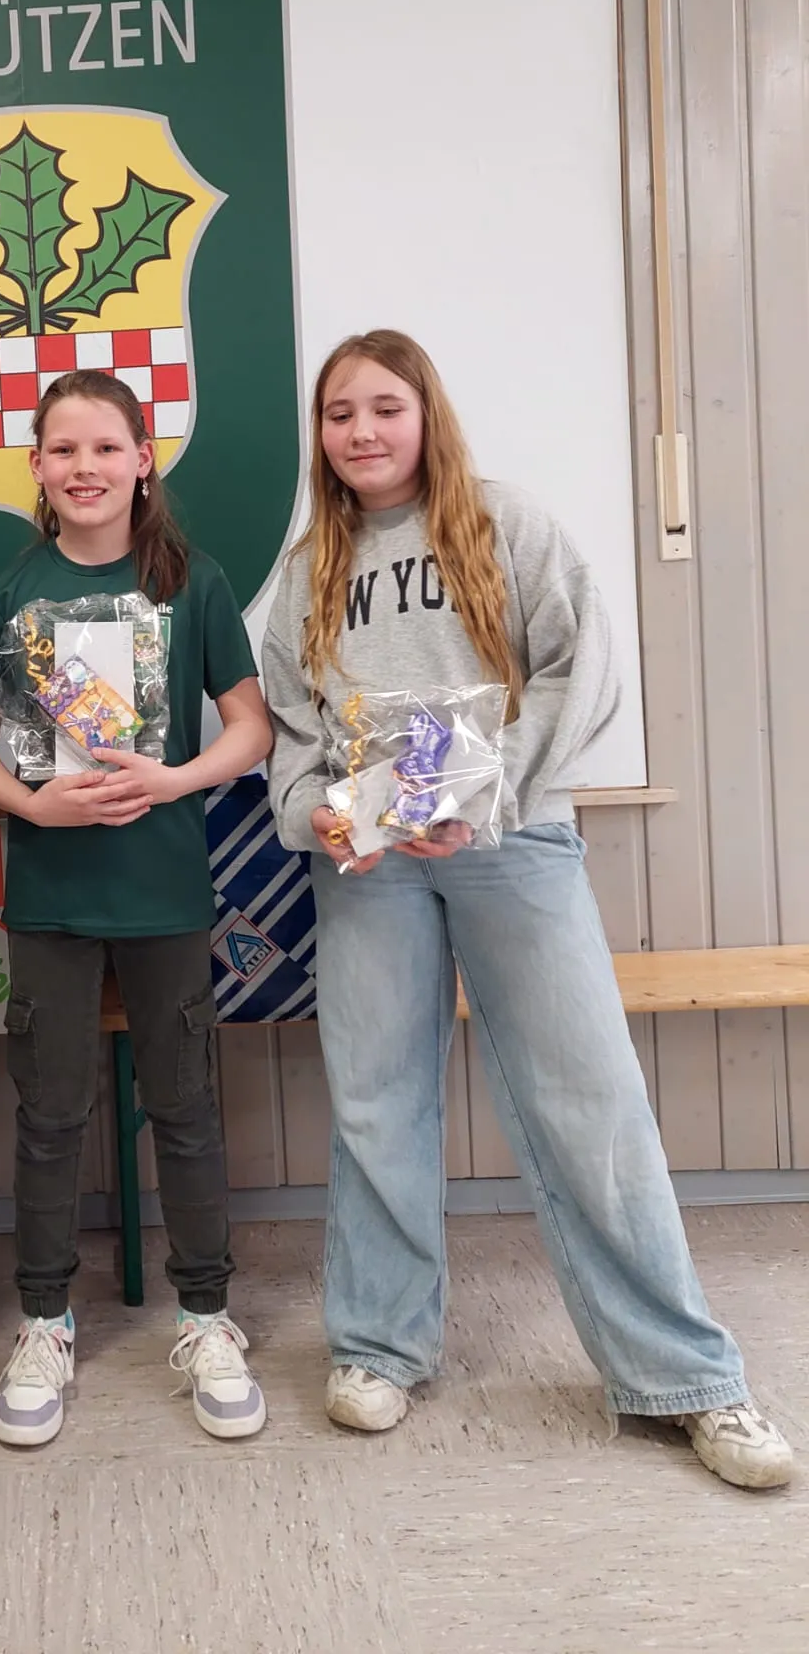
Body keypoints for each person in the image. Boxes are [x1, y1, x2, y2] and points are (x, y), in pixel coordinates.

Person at [262, 327, 792, 1490]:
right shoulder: (303, 570)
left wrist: (485, 788)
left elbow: (582, 670)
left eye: (384, 408)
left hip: (517, 843)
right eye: (340, 413)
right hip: (370, 869)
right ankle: (376, 1344)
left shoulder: (507, 524)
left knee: (589, 1100)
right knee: (374, 1102)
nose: (362, 431)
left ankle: (688, 1376)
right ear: (321, 434)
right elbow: (293, 749)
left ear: (426, 413)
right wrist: (329, 819)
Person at [0, 370, 272, 1449]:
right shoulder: (10, 593)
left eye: (107, 446)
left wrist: (173, 779)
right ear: (37, 468)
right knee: (50, 1116)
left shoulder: (195, 582)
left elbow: (252, 728)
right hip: (51, 897)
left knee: (185, 1107)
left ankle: (206, 1313)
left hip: (165, 892)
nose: (85, 466)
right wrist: (35, 806)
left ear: (145, 458)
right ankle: (44, 1319)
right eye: (64, 449)